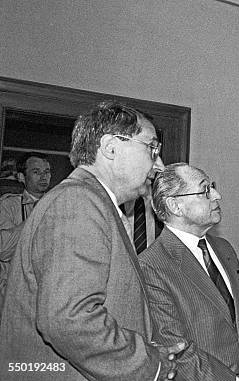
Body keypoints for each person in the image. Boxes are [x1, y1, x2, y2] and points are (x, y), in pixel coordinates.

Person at [0, 101, 185, 380]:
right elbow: (69, 320)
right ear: (111, 147)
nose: (159, 164)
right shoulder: (77, 201)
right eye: (152, 148)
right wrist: (150, 364)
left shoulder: (92, 202)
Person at [140, 163, 239, 381]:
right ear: (175, 206)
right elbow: (175, 346)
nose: (217, 195)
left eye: (213, 187)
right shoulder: (151, 266)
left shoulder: (223, 248)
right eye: (205, 190)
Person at [0, 152, 51, 321]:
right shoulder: (9, 205)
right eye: (36, 172)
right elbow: (4, 250)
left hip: (47, 295)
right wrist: (36, 215)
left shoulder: (59, 207)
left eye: (47, 171)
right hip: (13, 295)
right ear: (22, 177)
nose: (44, 177)